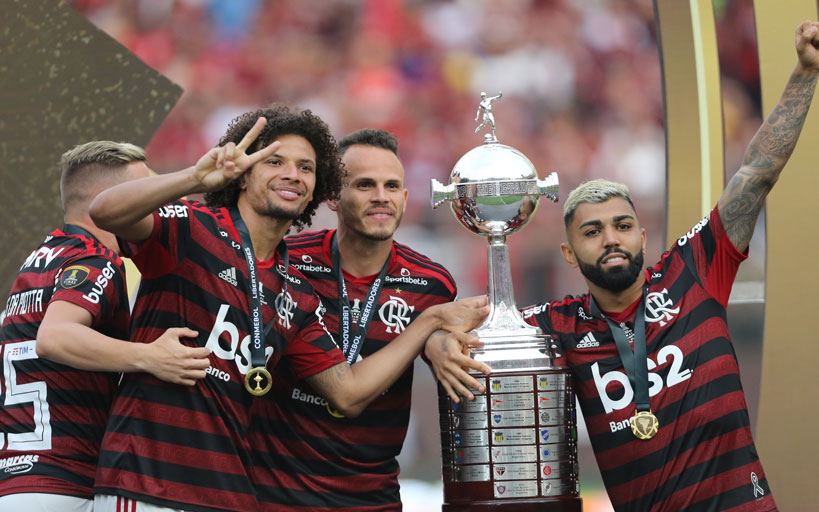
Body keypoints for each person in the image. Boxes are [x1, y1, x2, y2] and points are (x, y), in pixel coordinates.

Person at [430, 19, 819, 512]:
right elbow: (470, 332)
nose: (610, 239)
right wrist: (440, 345)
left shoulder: (693, 270)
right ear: (569, 253)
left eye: (621, 225)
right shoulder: (559, 326)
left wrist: (806, 72)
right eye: (591, 232)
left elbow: (758, 171)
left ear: (641, 233)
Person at [88, 106, 488, 512]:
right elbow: (104, 212)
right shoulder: (192, 228)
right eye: (274, 162)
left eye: (306, 167)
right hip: (149, 484)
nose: (292, 174)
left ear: (317, 188)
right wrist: (194, 177)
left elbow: (347, 392)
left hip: (232, 495)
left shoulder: (293, 290)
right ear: (243, 173)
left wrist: (432, 326)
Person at [247, 128, 489, 511]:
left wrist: (440, 342)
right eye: (364, 185)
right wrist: (427, 327)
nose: (381, 197)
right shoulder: (285, 259)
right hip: (274, 494)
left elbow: (441, 339)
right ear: (332, 196)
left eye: (392, 186)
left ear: (405, 198)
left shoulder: (432, 282)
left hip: (372, 498)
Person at [0, 141, 211, 512]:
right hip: (63, 483)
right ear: (107, 201)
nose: (155, 203)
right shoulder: (98, 260)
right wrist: (151, 356)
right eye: (143, 190)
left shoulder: (38, 263)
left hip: (17, 481)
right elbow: (56, 337)